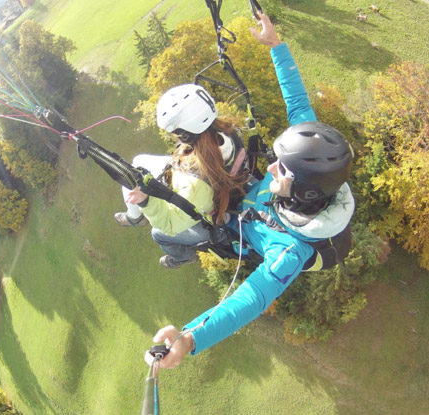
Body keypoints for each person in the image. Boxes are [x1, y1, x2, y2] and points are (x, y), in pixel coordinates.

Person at [145, 13, 355, 368]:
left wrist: (189, 339)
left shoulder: (289, 253)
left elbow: (249, 301)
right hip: (257, 207)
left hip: (238, 229)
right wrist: (277, 46)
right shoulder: (314, 170)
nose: (271, 166)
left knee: (161, 231)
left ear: (302, 193)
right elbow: (300, 107)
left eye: (281, 170)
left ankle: (182, 252)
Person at [114, 84, 249, 269]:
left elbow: (169, 224)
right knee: (138, 162)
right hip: (205, 185)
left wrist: (146, 201)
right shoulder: (226, 131)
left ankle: (183, 257)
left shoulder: (195, 184)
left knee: (158, 234)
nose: (174, 138)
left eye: (175, 134)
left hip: (209, 215)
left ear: (185, 134)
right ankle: (134, 216)